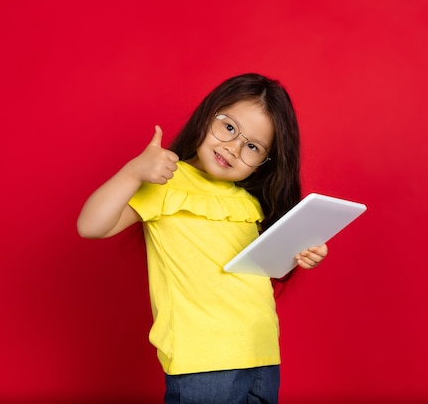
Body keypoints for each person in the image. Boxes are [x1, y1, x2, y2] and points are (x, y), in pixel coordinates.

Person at [77, 73, 327, 404]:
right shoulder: (167, 180)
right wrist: (133, 171)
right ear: (209, 114)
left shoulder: (249, 201)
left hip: (262, 353)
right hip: (204, 358)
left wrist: (299, 252)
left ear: (264, 163)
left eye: (252, 146)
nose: (234, 148)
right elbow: (91, 226)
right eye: (228, 128)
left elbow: (253, 273)